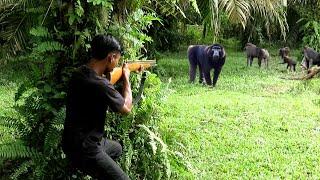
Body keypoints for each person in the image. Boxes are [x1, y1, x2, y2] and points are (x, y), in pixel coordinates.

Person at [62, 34, 132, 180]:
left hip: (70, 143)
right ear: (111, 57)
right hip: (86, 148)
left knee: (117, 148)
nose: (117, 63)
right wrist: (126, 77)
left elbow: (101, 85)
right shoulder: (100, 84)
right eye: (117, 59)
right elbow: (126, 109)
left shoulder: (79, 73)